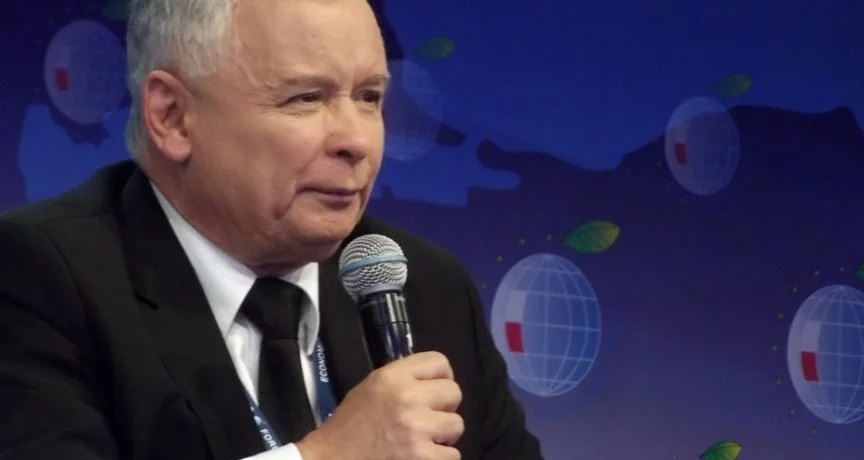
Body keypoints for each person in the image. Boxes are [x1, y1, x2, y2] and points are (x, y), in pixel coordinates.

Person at [0, 0, 544, 459]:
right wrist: (326, 457)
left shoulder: (425, 286)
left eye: (369, 98)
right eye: (305, 98)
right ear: (172, 116)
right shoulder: (39, 280)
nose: (357, 141)